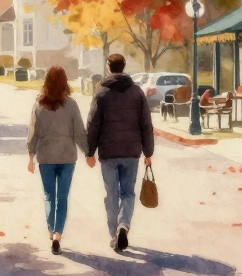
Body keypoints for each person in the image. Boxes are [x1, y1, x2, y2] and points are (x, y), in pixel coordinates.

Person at [86, 53, 154, 253]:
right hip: (131, 152)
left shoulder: (101, 93)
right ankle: (124, 224)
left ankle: (114, 234)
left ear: (109, 67)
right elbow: (146, 124)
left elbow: (93, 125)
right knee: (128, 192)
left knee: (111, 194)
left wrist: (90, 151)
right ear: (123, 67)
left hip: (108, 152)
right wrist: (148, 152)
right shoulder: (137, 92)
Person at [26, 66, 87, 256]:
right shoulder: (71, 105)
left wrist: (30, 155)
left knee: (49, 196)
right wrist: (88, 152)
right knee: (62, 197)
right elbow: (79, 132)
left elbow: (33, 133)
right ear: (64, 82)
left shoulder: (39, 105)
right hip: (67, 157)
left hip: (45, 158)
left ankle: (51, 230)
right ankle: (58, 235)